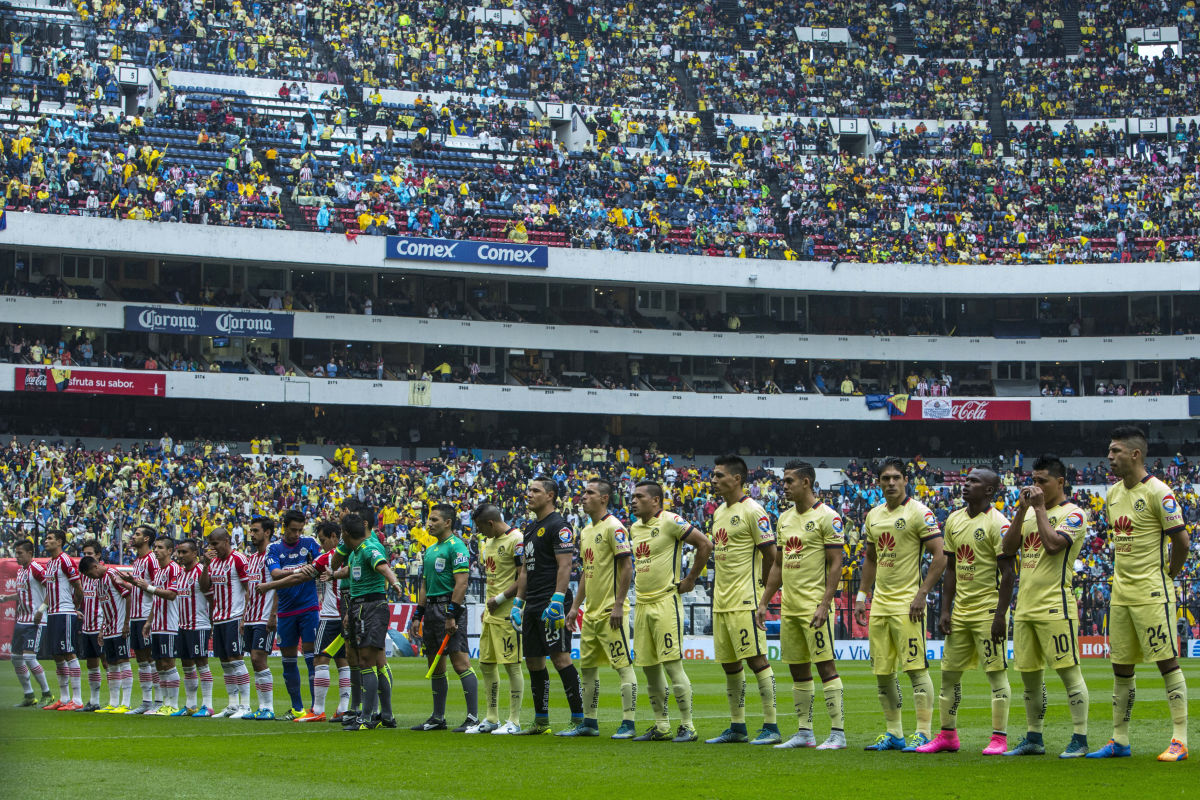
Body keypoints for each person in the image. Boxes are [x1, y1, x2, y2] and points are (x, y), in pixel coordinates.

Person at [1088, 426, 1189, 761]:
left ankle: (1180, 740)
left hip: (1151, 592)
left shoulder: (1160, 492)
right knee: (1121, 667)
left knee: (1167, 662)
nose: (1109, 457)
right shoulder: (1113, 494)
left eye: (1115, 451)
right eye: (1109, 450)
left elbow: (1182, 541)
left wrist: (1168, 575)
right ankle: (1119, 740)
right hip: (1121, 593)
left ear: (1135, 454)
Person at [915, 467, 1014, 755]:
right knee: (949, 674)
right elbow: (951, 569)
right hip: (961, 611)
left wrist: (1000, 615)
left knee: (995, 673)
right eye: (966, 479)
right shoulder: (954, 520)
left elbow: (1008, 574)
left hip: (987, 610)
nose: (966, 484)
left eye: (974, 481)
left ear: (989, 490)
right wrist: (946, 609)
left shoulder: (999, 523)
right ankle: (947, 735)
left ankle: (999, 737)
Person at [1000, 454, 1091, 758]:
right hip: (1025, 606)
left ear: (1060, 482)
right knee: (1029, 677)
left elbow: (1052, 546)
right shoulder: (1028, 513)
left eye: (1043, 481)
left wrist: (1038, 509)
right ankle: (1034, 737)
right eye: (1033, 480)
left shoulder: (1074, 514)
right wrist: (1022, 510)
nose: (1036, 486)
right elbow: (1007, 549)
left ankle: (1080, 738)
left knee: (1068, 673)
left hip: (1056, 605)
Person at [855, 457, 946, 752]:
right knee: (883, 672)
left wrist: (922, 594)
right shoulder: (873, 515)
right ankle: (894, 733)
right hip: (880, 604)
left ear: (906, 480)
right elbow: (871, 558)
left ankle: (923, 732)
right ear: (878, 482)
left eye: (896, 477)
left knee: (916, 669)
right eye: (886, 478)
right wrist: (862, 596)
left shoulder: (919, 512)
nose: (891, 483)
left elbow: (940, 555)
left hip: (908, 604)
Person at [756, 460, 847, 750]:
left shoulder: (828, 517)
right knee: (798, 670)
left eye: (789, 481)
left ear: (806, 482)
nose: (783, 486)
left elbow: (836, 563)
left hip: (814, 607)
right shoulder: (784, 519)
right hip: (790, 607)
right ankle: (805, 732)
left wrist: (824, 603)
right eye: (783, 481)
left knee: (826, 667)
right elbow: (778, 565)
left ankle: (838, 733)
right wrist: (764, 602)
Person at [628, 480, 712, 742]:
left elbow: (705, 544)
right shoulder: (634, 528)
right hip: (641, 604)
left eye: (639, 497)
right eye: (632, 497)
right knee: (649, 668)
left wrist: (691, 579)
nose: (633, 501)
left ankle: (688, 725)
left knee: (673, 666)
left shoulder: (671, 521)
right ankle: (661, 725)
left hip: (665, 601)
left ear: (655, 500)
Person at [707, 454, 780, 745]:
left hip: (745, 599)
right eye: (713, 475)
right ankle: (737, 726)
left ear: (737, 479)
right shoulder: (718, 513)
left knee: (757, 659)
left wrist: (763, 591)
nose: (713, 480)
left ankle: (771, 726)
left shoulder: (753, 510)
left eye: (719, 475)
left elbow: (771, 555)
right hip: (721, 601)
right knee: (729, 664)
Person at [511, 477, 585, 735]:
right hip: (532, 603)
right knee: (533, 661)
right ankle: (541, 722)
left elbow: (565, 565)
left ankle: (579, 719)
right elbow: (524, 570)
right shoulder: (530, 528)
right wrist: (518, 603)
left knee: (560, 658)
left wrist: (557, 599)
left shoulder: (559, 526)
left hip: (551, 601)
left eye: (535, 490)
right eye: (528, 490)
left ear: (550, 495)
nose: (529, 494)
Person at [563, 479, 636, 738]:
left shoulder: (614, 527)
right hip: (591, 612)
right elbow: (587, 572)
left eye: (590, 493)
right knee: (587, 668)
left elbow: (627, 567)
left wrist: (618, 604)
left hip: (610, 612)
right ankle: (589, 722)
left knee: (622, 666)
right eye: (583, 492)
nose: (583, 497)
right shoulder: (585, 531)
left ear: (604, 498)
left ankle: (629, 723)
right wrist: (575, 607)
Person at [257, 521, 350, 722]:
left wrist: (269, 586)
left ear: (334, 537)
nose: (321, 545)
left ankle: (317, 710)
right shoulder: (354, 555)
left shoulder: (327, 557)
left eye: (323, 541)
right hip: (349, 613)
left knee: (320, 660)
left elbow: (299, 578)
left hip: (329, 615)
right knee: (344, 661)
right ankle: (344, 709)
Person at [409, 503, 478, 732]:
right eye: (429, 519)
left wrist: (451, 614)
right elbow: (424, 585)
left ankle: (473, 717)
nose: (429, 524)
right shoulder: (430, 550)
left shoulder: (457, 547)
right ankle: (438, 717)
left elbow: (462, 583)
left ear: (448, 522)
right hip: (431, 609)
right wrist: (418, 615)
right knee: (435, 664)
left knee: (460, 663)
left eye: (434, 520)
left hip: (449, 608)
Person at [333, 509, 403, 731]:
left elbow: (382, 566)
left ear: (345, 533)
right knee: (372, 661)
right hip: (359, 606)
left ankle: (366, 716)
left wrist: (395, 582)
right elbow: (353, 574)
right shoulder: (355, 552)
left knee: (366, 660)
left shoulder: (368, 547)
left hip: (371, 607)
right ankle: (384, 715)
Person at [468, 503, 525, 734]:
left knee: (512, 665)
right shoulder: (489, 543)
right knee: (486, 663)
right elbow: (494, 579)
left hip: (509, 614)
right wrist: (487, 606)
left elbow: (523, 577)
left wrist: (500, 599)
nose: (479, 532)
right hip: (491, 614)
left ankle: (514, 721)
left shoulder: (517, 540)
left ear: (490, 523)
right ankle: (492, 718)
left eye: (480, 527)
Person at [266, 510, 322, 720]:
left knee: (312, 659)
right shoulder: (274, 548)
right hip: (286, 611)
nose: (297, 534)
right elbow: (275, 574)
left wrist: (307, 569)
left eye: (300, 530)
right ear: (284, 527)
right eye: (293, 530)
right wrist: (300, 570)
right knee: (288, 660)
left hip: (309, 608)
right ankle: (297, 708)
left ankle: (315, 709)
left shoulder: (310, 543)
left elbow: (319, 566)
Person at [198, 527, 253, 718]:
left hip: (234, 616)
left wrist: (245, 617)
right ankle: (232, 704)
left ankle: (245, 705)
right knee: (225, 662)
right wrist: (205, 565)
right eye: (210, 544)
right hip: (219, 618)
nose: (212, 548)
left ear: (226, 541)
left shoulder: (238, 559)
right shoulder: (213, 563)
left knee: (236, 659)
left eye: (215, 544)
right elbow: (204, 587)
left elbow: (248, 589)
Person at [125, 535, 183, 716]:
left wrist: (147, 587)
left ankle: (172, 704)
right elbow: (156, 599)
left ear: (170, 551)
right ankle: (161, 703)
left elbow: (172, 594)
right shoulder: (159, 571)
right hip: (156, 622)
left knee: (168, 663)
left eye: (160, 547)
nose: (156, 550)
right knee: (159, 664)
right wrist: (149, 621)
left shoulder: (174, 568)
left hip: (169, 623)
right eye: (155, 547)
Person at [37, 528, 84, 711]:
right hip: (53, 613)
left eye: (50, 538)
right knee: (57, 655)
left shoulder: (65, 560)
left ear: (59, 542)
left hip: (64, 612)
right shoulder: (50, 563)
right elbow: (50, 590)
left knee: (69, 653)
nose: (46, 541)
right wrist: (42, 609)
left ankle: (77, 699)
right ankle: (64, 698)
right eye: (46, 538)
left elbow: (78, 586)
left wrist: (74, 607)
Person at [1, 539, 53, 707]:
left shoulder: (36, 569)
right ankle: (29, 695)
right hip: (21, 620)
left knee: (29, 657)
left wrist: (41, 609)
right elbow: (23, 593)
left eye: (20, 553)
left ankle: (47, 693)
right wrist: (7, 598)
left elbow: (51, 589)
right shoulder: (21, 571)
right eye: (16, 553)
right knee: (16, 658)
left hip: (34, 620)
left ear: (30, 553)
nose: (17, 556)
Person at [241, 517, 278, 720]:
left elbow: (279, 586)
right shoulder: (252, 558)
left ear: (267, 532)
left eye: (256, 531)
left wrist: (273, 614)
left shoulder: (273, 554)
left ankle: (268, 707)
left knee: (258, 658)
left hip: (265, 616)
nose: (252, 534)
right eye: (251, 531)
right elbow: (248, 591)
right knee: (254, 661)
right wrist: (243, 617)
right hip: (251, 616)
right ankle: (262, 707)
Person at [88, 552, 134, 713]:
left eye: (90, 574)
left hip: (120, 627)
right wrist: (102, 629)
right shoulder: (98, 582)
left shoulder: (112, 575)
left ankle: (126, 703)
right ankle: (113, 703)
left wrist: (126, 623)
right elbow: (104, 606)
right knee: (112, 664)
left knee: (123, 661)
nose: (91, 577)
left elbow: (128, 596)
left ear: (95, 567)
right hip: (108, 629)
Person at [174, 540, 215, 717]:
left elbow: (211, 599)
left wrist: (212, 623)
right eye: (179, 552)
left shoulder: (200, 571)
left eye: (184, 552)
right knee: (186, 666)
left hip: (198, 625)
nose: (180, 555)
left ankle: (208, 705)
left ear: (194, 553)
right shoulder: (181, 574)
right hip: (183, 625)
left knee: (202, 664)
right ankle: (190, 705)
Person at [124, 524, 160, 714]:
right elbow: (140, 587)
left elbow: (157, 588)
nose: (133, 536)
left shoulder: (152, 560)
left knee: (152, 658)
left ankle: (159, 700)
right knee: (141, 659)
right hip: (136, 615)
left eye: (137, 534)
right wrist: (128, 583)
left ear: (146, 539)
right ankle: (146, 701)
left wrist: (151, 619)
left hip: (147, 615)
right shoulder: (137, 561)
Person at [75, 540, 107, 712]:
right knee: (91, 664)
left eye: (90, 554)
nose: (86, 556)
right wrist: (76, 610)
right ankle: (94, 701)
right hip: (87, 625)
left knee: (107, 663)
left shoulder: (104, 574)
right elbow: (80, 596)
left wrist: (105, 625)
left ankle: (116, 701)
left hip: (101, 625)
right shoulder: (84, 575)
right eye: (84, 554)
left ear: (98, 555)